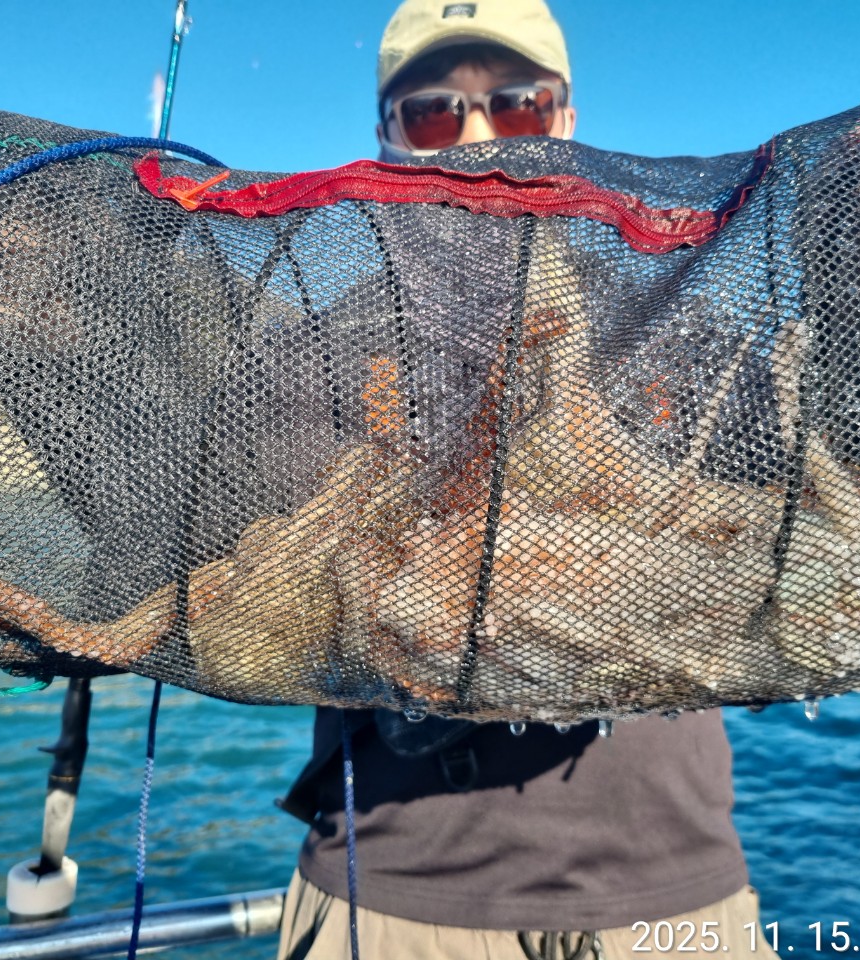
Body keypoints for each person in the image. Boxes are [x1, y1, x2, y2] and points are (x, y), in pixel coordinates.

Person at [274, 3, 779, 959]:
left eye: (516, 105)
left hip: (673, 888)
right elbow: (260, 578)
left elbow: (772, 548)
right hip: (398, 886)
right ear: (387, 139)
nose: (477, 138)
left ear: (566, 121)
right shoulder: (324, 344)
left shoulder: (678, 312)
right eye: (433, 112)